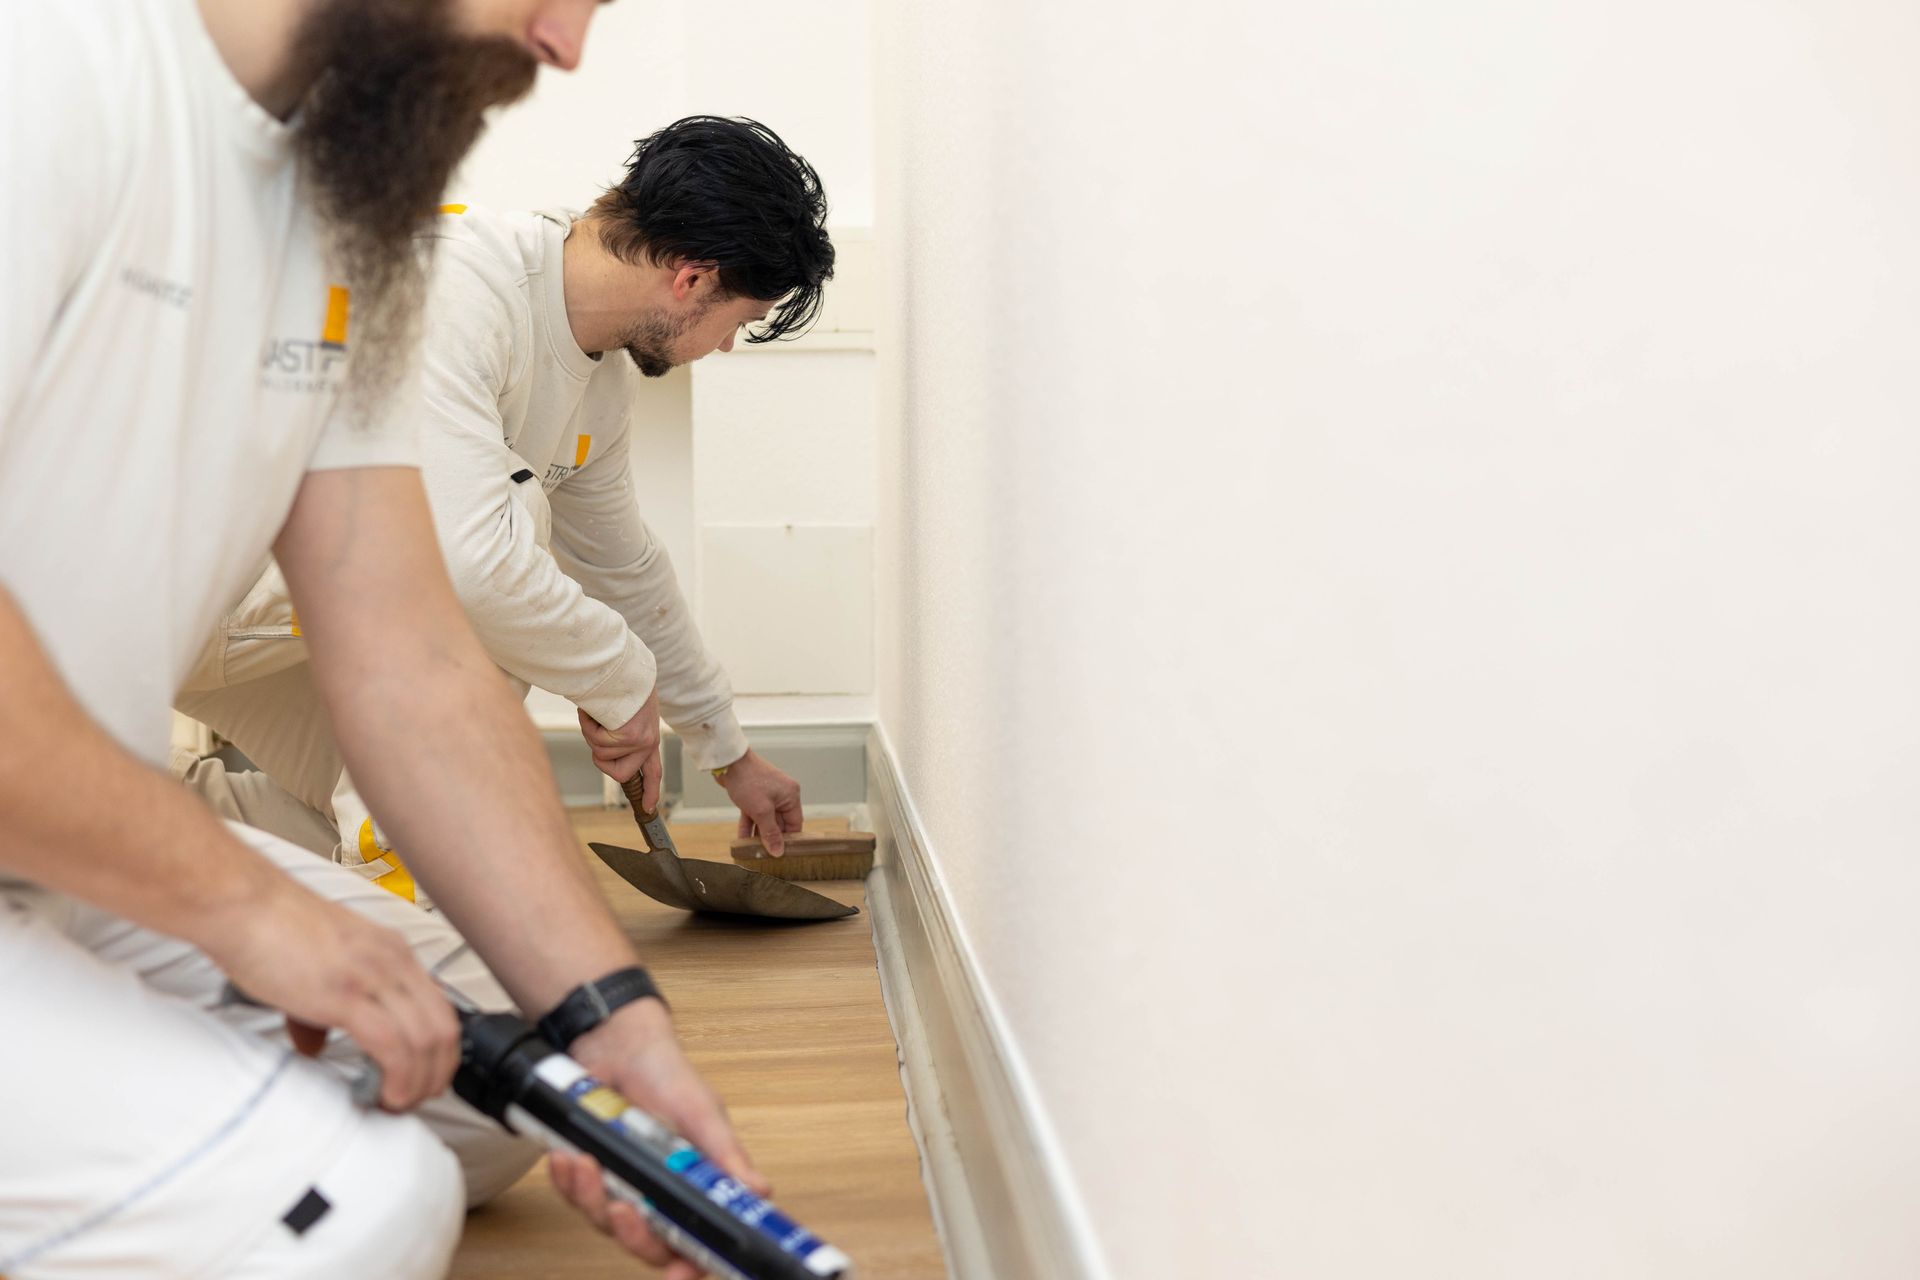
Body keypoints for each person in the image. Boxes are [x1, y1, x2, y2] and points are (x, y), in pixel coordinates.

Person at [0, 3, 759, 1277]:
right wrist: (253, 911)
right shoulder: (51, 74)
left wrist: (616, 1019)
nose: (565, 47)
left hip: (75, 861)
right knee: (364, 1202)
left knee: (523, 1073)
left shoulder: (353, 213)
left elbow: (410, 651)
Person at [176, 116, 836, 901]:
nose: (726, 345)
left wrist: (728, 753)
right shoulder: (451, 283)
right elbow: (468, 563)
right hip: (146, 596)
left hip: (270, 619)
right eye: (741, 321)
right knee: (505, 540)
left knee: (435, 829)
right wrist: (618, 679)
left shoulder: (599, 380)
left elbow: (624, 569)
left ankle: (160, 826)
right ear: (692, 280)